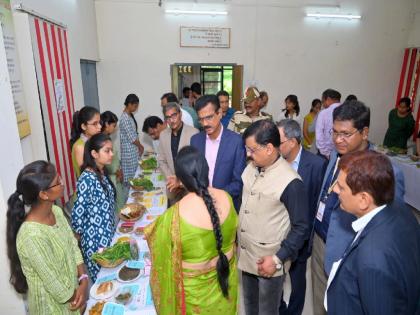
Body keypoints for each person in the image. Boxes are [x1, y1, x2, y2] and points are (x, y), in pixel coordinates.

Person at [310, 100, 405, 315]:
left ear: (364, 132)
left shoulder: (385, 172)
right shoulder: (336, 154)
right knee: (320, 303)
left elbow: (389, 227)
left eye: (345, 134)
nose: (337, 140)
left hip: (349, 252)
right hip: (320, 241)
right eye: (334, 132)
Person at [145, 146, 238, 315]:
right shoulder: (227, 199)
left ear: (180, 180)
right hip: (226, 284)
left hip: (195, 298)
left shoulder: (173, 216)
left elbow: (157, 249)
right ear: (207, 169)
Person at [326, 151, 420, 314]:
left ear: (363, 200)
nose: (334, 190)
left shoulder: (372, 260)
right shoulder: (397, 207)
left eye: (341, 187)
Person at [239, 120, 309, 315]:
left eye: (252, 150)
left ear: (269, 148)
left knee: (268, 311)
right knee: (250, 307)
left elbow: (301, 227)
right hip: (247, 255)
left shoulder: (291, 182)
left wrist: (278, 259)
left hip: (269, 262)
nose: (248, 154)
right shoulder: (253, 166)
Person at [7, 161, 88, 314]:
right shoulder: (31, 236)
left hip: (73, 298)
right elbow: (56, 286)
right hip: (52, 308)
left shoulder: (56, 211)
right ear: (43, 194)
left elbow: (72, 245)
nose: (62, 183)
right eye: (58, 182)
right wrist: (80, 295)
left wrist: (83, 278)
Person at [277, 119, 327, 315]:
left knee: (298, 279)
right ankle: (279, 308)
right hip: (277, 234)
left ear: (292, 141)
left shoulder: (316, 165)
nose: (273, 145)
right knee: (276, 279)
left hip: (301, 236)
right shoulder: (273, 162)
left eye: (278, 141)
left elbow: (317, 201)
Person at [71, 133, 116, 282]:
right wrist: (85, 239)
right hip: (95, 242)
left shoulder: (101, 172)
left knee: (112, 280)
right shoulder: (87, 178)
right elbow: (77, 217)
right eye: (107, 151)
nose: (112, 154)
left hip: (107, 235)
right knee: (104, 283)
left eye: (111, 150)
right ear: (94, 154)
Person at [190, 95, 246, 211]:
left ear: (219, 113)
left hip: (226, 207)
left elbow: (238, 183)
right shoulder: (195, 140)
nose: (205, 123)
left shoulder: (236, 142)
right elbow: (194, 174)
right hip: (201, 205)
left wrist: (214, 195)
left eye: (209, 117)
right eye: (201, 119)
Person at [157, 103, 198, 203]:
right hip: (173, 190)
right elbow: (161, 161)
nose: (171, 120)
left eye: (174, 115)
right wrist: (170, 178)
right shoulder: (163, 135)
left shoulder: (194, 133)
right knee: (174, 216)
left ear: (180, 114)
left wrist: (179, 181)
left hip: (190, 188)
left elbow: (196, 164)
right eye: (168, 117)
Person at [101, 111, 126, 211]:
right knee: (117, 206)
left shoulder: (107, 137)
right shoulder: (101, 140)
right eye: (114, 125)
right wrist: (116, 172)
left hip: (116, 174)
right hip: (111, 176)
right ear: (106, 124)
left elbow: (114, 157)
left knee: (121, 202)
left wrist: (119, 170)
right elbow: (104, 163)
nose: (115, 128)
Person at [70, 106, 101, 178]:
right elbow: (86, 174)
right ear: (84, 126)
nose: (99, 126)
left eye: (99, 122)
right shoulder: (80, 147)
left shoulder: (92, 141)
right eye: (95, 124)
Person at [120, 93, 144, 184]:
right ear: (129, 104)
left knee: (136, 173)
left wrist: (138, 146)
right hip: (129, 152)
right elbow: (132, 138)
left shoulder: (129, 115)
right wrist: (140, 146)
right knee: (131, 177)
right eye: (135, 106)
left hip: (133, 150)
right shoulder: (125, 118)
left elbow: (134, 133)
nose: (136, 108)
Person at [315, 89, 341, 159]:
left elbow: (319, 136)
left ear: (328, 99)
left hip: (325, 154)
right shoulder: (347, 111)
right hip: (342, 153)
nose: (322, 104)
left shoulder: (323, 113)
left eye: (323, 101)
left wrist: (326, 153)